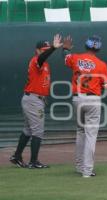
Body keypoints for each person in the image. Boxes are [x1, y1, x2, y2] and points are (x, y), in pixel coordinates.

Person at [9, 34, 63, 168]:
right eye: (43, 50)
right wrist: (53, 49)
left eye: (46, 49)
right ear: (37, 50)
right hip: (33, 99)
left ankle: (16, 156)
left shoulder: (45, 64)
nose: (45, 51)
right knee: (37, 131)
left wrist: (43, 97)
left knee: (28, 130)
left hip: (34, 99)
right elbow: (42, 58)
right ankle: (33, 162)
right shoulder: (36, 61)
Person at [63, 35, 107, 177]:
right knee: (91, 135)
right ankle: (87, 171)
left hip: (77, 99)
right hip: (92, 99)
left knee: (80, 132)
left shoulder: (76, 58)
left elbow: (65, 57)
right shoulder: (101, 64)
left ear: (86, 45)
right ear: (98, 48)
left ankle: (79, 166)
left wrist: (65, 48)